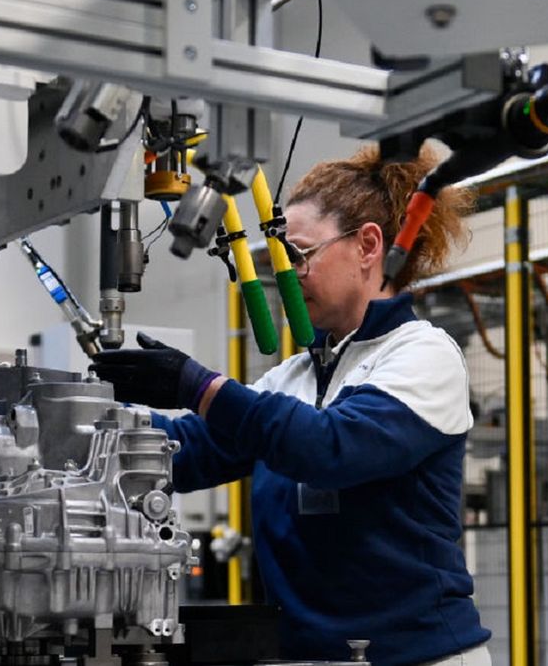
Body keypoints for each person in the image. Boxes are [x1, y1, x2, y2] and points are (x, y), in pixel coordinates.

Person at [90, 143, 491, 666]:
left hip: (418, 658)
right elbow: (189, 450)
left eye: (297, 255)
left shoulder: (422, 354)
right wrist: (78, 427)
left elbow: (330, 447)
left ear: (368, 245)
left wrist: (198, 386)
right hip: (311, 656)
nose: (286, 276)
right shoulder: (296, 376)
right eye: (279, 258)